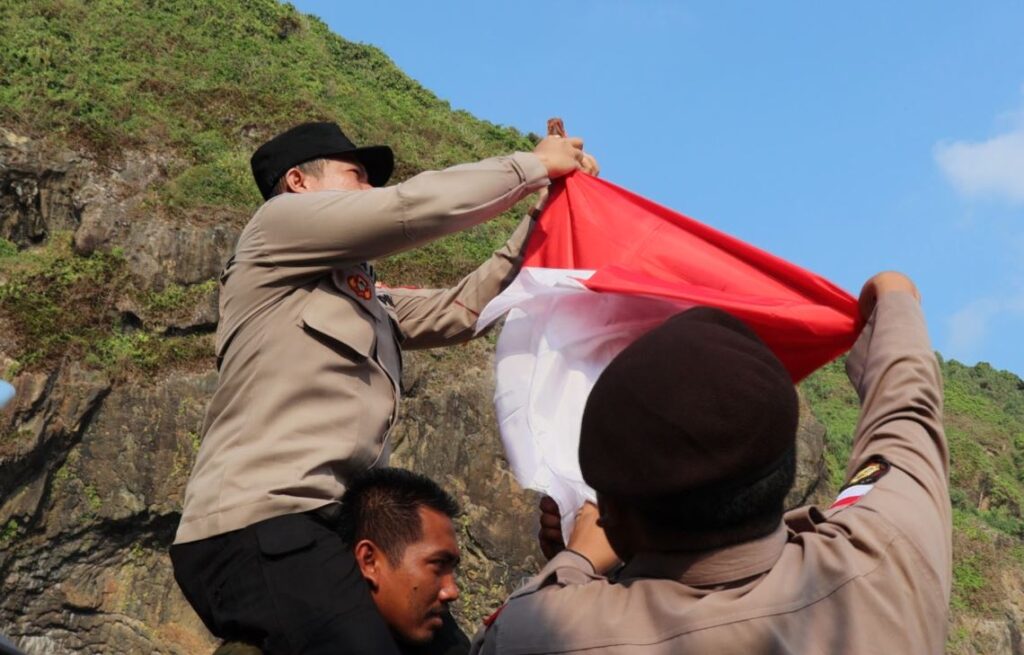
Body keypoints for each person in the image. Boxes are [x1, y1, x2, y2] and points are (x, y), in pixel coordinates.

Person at [170, 121, 597, 654]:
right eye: (357, 176)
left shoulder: (371, 301)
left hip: (339, 536)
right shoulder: (273, 229)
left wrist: (547, 212)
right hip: (260, 525)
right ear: (299, 183)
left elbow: (465, 309)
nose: (370, 190)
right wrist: (530, 168)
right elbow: (407, 209)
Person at [472, 272, 951, 654]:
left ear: (613, 515)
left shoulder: (538, 634)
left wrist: (576, 563)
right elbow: (907, 416)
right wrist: (897, 299)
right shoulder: (891, 558)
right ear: (785, 466)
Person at [338, 468, 467, 655]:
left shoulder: (451, 644)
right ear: (370, 561)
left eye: (452, 569)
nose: (452, 591)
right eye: (438, 564)